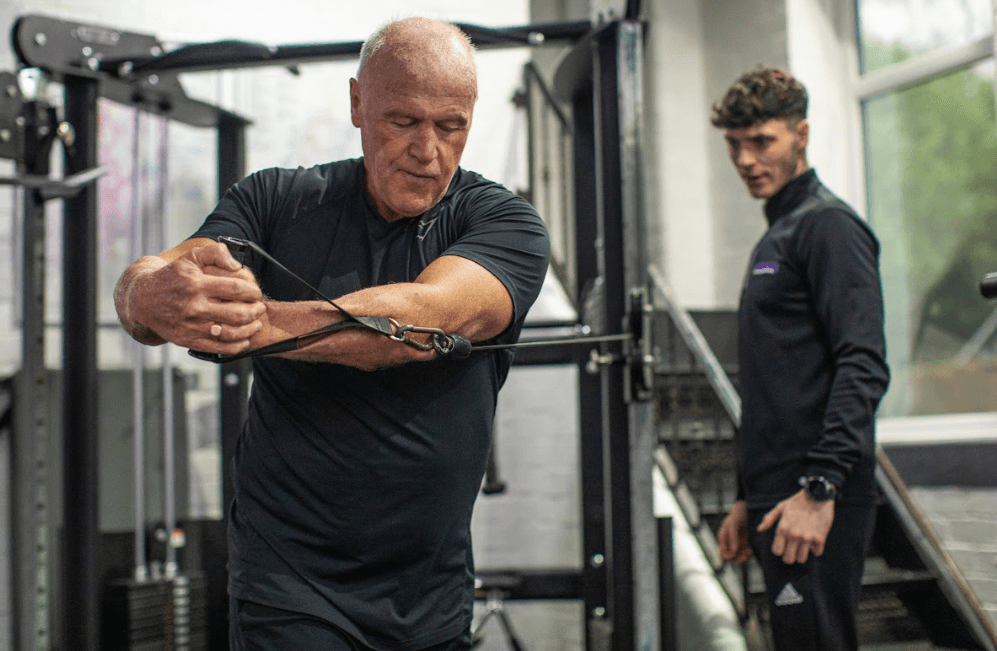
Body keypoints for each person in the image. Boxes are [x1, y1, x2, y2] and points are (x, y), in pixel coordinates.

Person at [114, 18, 550, 651]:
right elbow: (172, 273)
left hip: (429, 593)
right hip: (287, 584)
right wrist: (146, 294)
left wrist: (255, 323)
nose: (427, 150)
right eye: (403, 121)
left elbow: (418, 318)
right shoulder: (277, 201)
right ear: (357, 105)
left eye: (450, 126)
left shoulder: (502, 222)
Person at [711, 66, 890, 650]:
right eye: (735, 145)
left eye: (761, 141)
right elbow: (776, 381)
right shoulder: (780, 233)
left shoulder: (829, 227)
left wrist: (820, 488)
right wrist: (747, 492)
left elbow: (863, 361)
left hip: (812, 493)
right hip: (775, 491)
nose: (744, 160)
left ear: (801, 134)